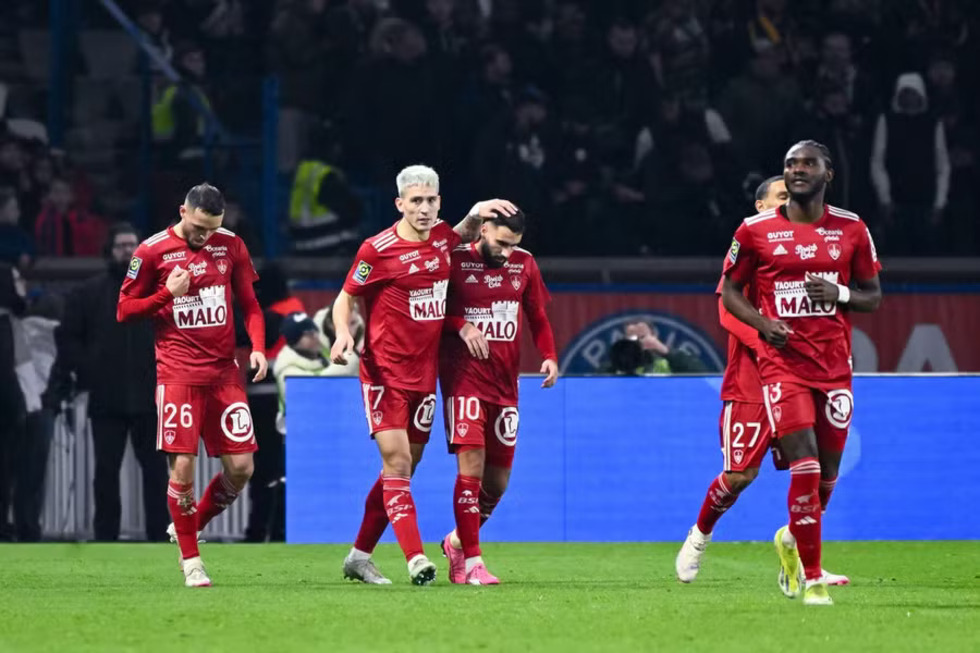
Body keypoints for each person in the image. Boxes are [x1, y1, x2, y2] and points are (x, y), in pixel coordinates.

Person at [330, 164, 516, 585]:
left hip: (423, 378)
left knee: (402, 470)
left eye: (431, 200)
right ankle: (417, 559)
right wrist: (343, 332)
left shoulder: (442, 241)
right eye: (416, 201)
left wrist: (478, 210)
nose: (425, 208)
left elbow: (467, 231)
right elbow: (345, 298)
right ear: (400, 204)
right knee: (396, 462)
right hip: (382, 374)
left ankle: (359, 556)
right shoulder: (376, 250)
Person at [719, 141, 882, 605]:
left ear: (828, 173)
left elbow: (873, 296)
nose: (797, 170)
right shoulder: (754, 231)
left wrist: (840, 294)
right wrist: (763, 324)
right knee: (805, 464)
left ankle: (793, 538)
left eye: (808, 163)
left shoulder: (852, 229)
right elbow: (730, 293)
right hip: (781, 367)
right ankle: (812, 580)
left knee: (827, 473)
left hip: (833, 368)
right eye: (790, 164)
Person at [117, 183, 267, 587]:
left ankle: (191, 522)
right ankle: (192, 561)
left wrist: (257, 346)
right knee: (182, 469)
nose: (204, 237)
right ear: (182, 210)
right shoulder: (150, 251)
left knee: (242, 468)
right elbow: (125, 310)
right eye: (199, 227)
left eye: (212, 229)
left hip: (223, 375)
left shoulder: (230, 245)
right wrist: (167, 293)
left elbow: (250, 303)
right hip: (178, 376)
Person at [437, 208, 558, 584]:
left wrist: (551, 356)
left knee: (498, 482)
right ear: (483, 230)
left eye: (513, 245)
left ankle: (457, 541)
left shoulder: (525, 264)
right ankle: (473, 563)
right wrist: (460, 325)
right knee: (470, 470)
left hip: (506, 386)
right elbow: (429, 310)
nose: (506, 252)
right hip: (464, 380)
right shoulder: (454, 261)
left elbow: (537, 315)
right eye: (500, 243)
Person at [59, 223, 169, 542]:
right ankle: (105, 536)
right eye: (121, 245)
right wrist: (90, 369)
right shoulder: (88, 293)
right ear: (110, 250)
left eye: (132, 245)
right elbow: (68, 340)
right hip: (106, 398)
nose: (127, 251)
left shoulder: (159, 293)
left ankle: (159, 536)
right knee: (106, 472)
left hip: (150, 398)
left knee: (155, 472)